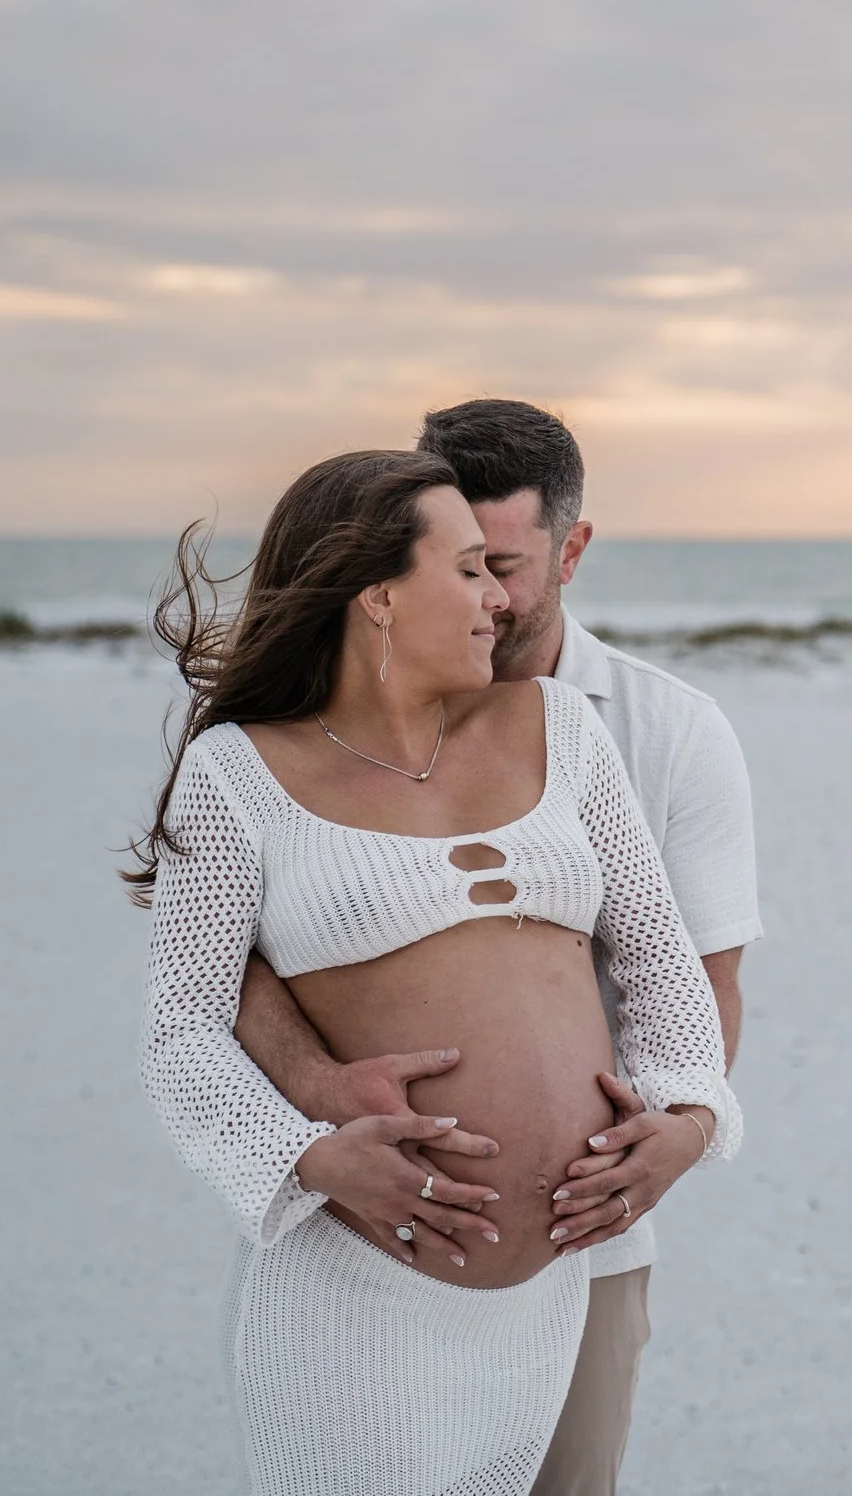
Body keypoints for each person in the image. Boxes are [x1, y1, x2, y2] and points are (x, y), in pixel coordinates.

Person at [133, 447, 742, 1496]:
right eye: (465, 570)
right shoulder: (236, 769)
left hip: (540, 1307)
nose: (496, 601)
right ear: (376, 594)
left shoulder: (563, 731)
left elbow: (657, 957)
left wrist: (690, 1118)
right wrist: (310, 1158)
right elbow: (183, 1023)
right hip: (356, 1296)